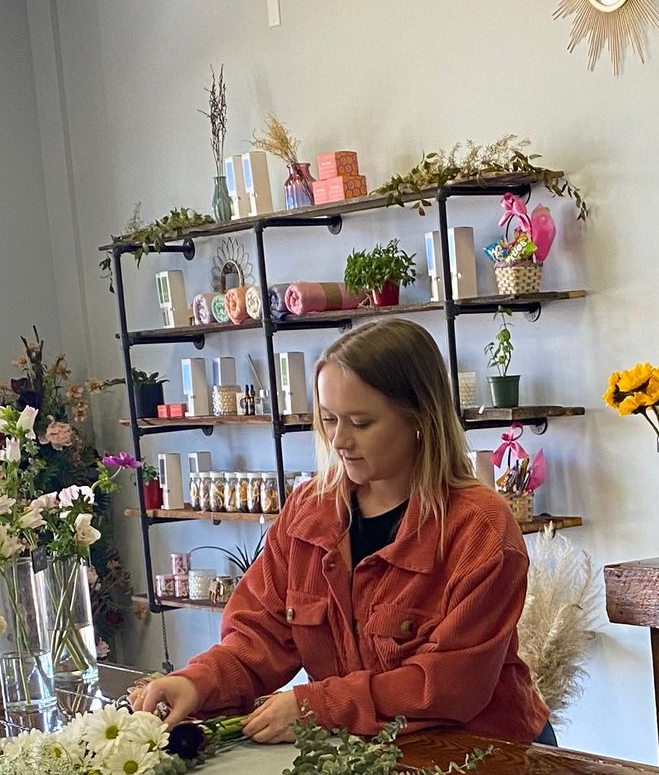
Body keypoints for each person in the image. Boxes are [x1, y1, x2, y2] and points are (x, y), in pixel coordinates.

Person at [130, 316, 550, 744]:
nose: (339, 440)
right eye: (329, 419)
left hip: (486, 756)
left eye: (361, 423)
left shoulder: (480, 529)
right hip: (362, 752)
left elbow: (445, 686)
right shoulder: (308, 511)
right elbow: (260, 633)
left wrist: (320, 707)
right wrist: (199, 682)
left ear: (420, 417)